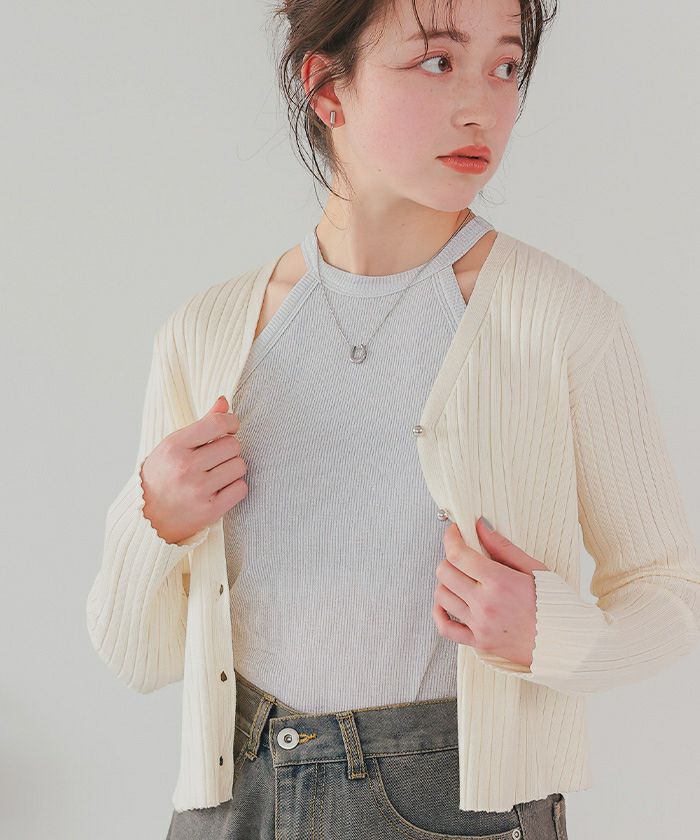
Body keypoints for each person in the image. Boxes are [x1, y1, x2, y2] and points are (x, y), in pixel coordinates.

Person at [86, 1, 700, 838]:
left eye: (506, 67)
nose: (482, 106)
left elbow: (669, 589)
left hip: (453, 806)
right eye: (438, 61)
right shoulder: (207, 334)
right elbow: (136, 657)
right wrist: (151, 518)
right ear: (326, 87)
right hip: (235, 805)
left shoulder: (559, 322)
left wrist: (549, 634)